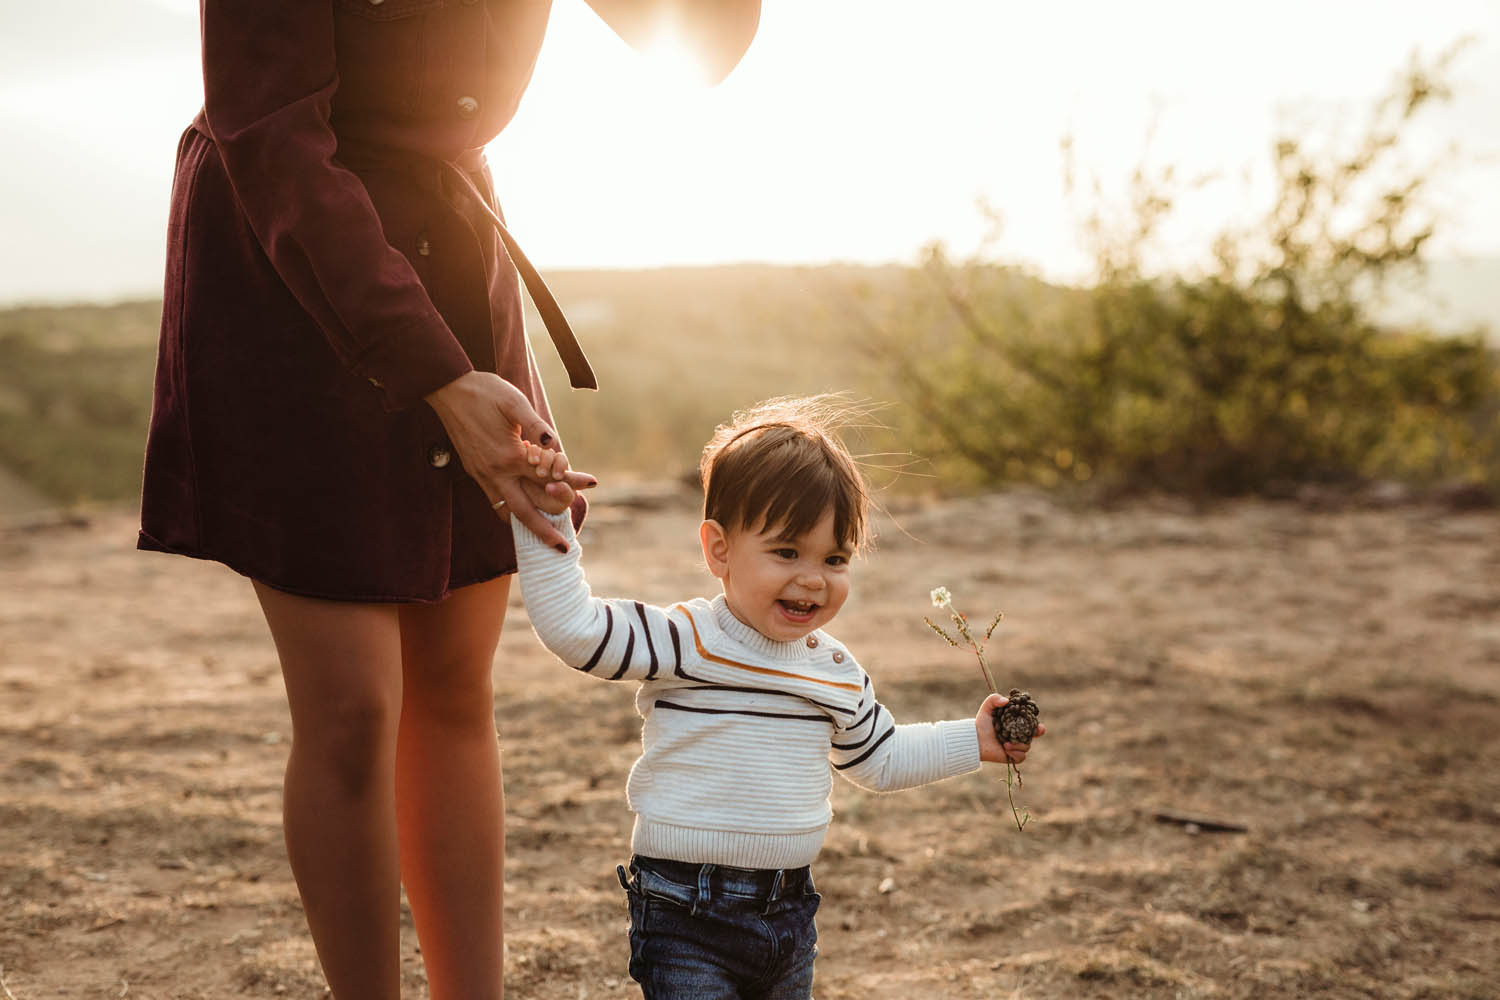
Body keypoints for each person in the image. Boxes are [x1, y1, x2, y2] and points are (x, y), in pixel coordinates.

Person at [136, 3, 760, 997]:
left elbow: (697, 40)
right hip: (289, 262)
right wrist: (437, 376)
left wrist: (488, 374)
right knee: (349, 708)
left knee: (453, 686)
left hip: (452, 243)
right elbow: (272, 139)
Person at [510, 396, 1045, 999]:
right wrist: (546, 522)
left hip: (789, 914)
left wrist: (971, 741)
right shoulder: (684, 640)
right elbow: (575, 630)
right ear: (718, 549)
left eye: (835, 558)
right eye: (787, 552)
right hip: (685, 913)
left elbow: (881, 758)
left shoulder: (836, 672)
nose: (813, 578)